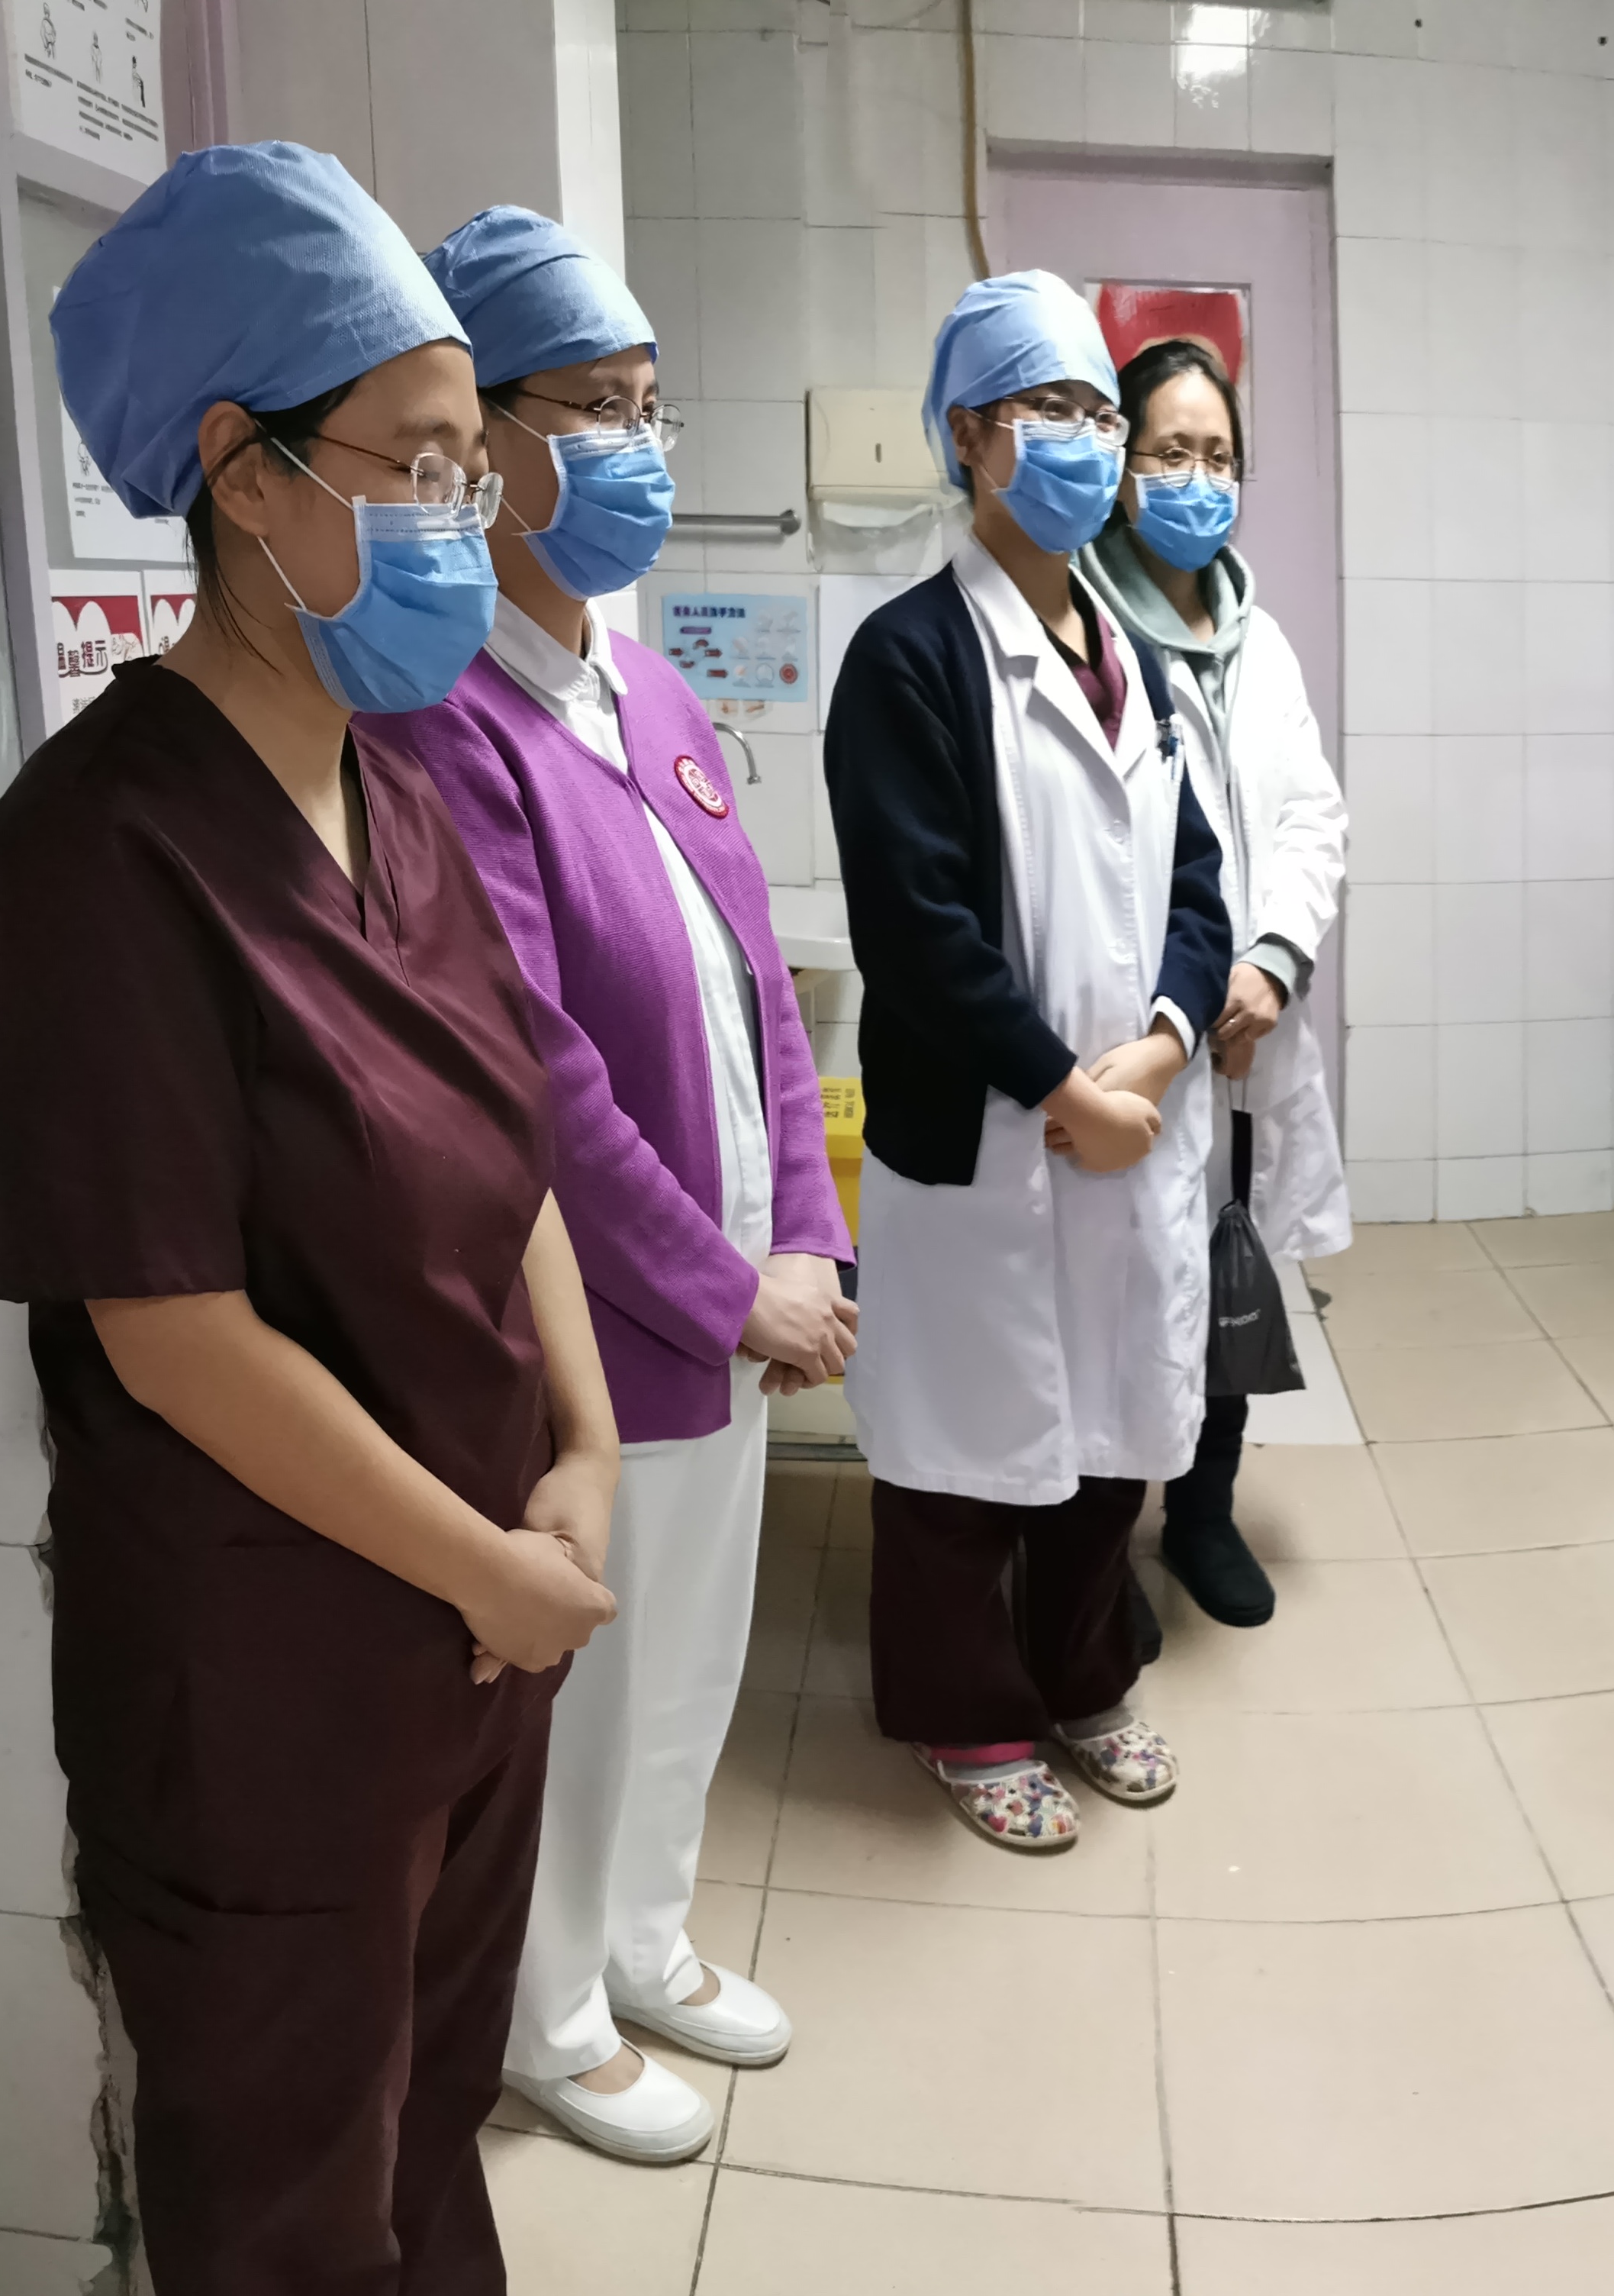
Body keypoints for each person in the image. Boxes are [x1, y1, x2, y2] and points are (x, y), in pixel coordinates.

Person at [0, 143, 620, 2293]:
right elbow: (174, 1334)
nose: (465, 512)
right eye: (416, 463)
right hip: (275, 1692)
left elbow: (509, 1141)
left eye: (470, 463)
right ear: (244, 473)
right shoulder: (87, 867)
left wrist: (586, 1446)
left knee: (431, 2125)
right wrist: (489, 1566)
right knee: (289, 2196)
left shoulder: (395, 781)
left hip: (481, 1626)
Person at [364, 205, 849, 2162]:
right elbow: (543, 1079)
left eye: (655, 406)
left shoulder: (653, 699)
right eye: (597, 407)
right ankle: (547, 2012)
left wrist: (806, 1238)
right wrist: (725, 1287)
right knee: (587, 1685)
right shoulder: (439, 725)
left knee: (697, 1663)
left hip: (739, 1307)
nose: (639, 446)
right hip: (609, 1330)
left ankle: (645, 1941)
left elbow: (764, 994)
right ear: (481, 439)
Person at [823, 272, 1229, 1850]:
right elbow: (918, 931)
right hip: (991, 1141)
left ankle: (1083, 1678)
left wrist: (1165, 1052)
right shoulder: (909, 658)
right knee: (963, 1453)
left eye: (1099, 414)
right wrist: (1067, 1091)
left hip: (1127, 1126)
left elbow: (1199, 888)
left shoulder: (1141, 662)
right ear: (973, 436)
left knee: (1110, 1435)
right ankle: (966, 1712)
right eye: (1049, 408)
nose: (1087, 439)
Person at [1071, 331, 1347, 1634]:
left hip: (1254, 1029)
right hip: (1142, 1034)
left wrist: (1272, 964)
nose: (1197, 478)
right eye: (1172, 451)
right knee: (1126, 1287)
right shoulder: (1082, 632)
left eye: (1219, 455)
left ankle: (1202, 1515)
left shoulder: (1263, 642)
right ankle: (1097, 1552)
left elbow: (1310, 821)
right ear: (1122, 468)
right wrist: (1188, 1002)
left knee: (1231, 1271)